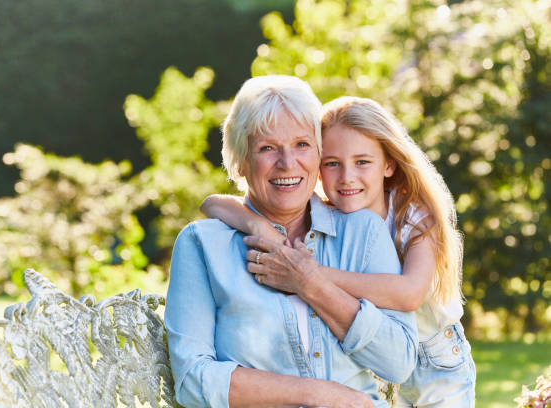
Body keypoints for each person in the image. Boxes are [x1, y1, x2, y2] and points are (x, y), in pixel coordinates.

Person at [201, 96, 476, 407]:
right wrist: (256, 225)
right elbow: (212, 203)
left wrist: (308, 276)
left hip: (434, 359)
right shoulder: (330, 216)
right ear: (318, 167)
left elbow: (409, 294)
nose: (347, 177)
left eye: (362, 162)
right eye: (332, 163)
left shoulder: (410, 213)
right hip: (372, 361)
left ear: (389, 164)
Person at [165, 77, 418, 408]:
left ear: (318, 153)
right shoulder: (202, 246)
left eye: (302, 144)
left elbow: (399, 363)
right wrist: (318, 394)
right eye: (267, 148)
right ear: (240, 161)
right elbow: (193, 381)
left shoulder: (363, 232)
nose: (287, 163)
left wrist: (311, 284)